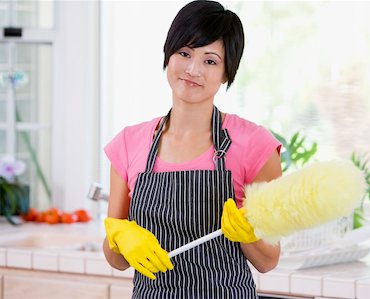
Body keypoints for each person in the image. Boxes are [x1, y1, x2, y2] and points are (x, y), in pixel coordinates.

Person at [102, 1, 282, 298]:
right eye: (184, 53)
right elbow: (115, 260)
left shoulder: (255, 145)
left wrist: (247, 237)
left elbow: (268, 260)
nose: (192, 69)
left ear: (226, 72)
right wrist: (120, 237)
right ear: (168, 55)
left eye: (210, 61)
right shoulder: (128, 143)